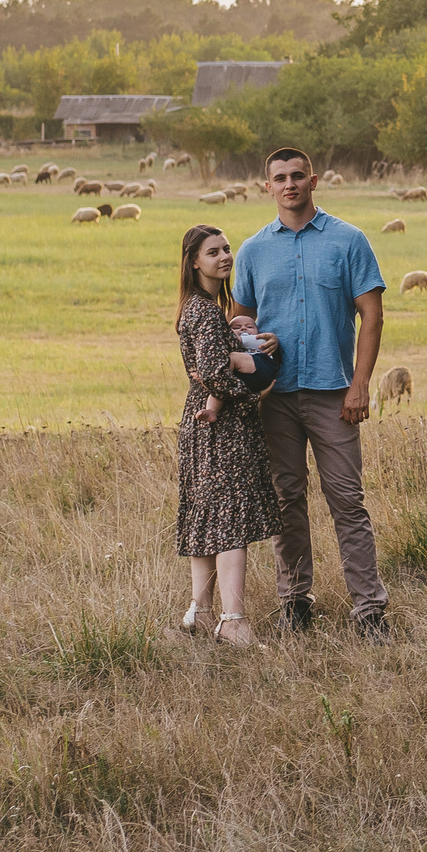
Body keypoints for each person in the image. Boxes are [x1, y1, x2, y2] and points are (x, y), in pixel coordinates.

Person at [231, 147, 392, 640]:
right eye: (279, 178)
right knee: (287, 500)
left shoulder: (349, 240)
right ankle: (296, 602)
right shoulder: (253, 250)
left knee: (347, 500)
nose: (289, 184)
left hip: (333, 392)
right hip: (274, 397)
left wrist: (361, 383)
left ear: (314, 180)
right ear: (268, 187)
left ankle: (369, 610)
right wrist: (256, 343)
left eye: (297, 175)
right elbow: (239, 324)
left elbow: (372, 315)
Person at [174, 225, 282, 648]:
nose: (224, 257)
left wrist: (244, 358)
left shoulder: (200, 308)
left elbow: (215, 369)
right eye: (212, 252)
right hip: (221, 429)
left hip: (203, 423)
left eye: (226, 249)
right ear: (194, 261)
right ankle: (232, 621)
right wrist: (259, 384)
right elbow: (218, 374)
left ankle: (199, 612)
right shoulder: (202, 311)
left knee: (208, 516)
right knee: (230, 522)